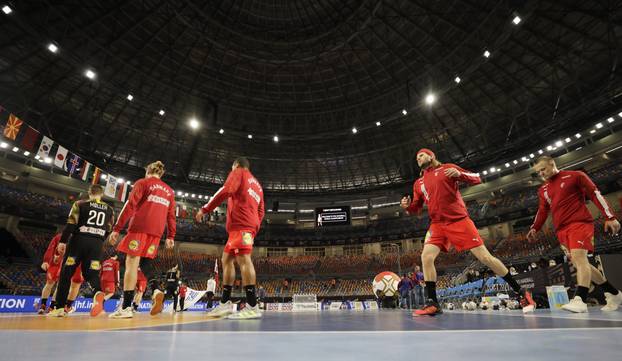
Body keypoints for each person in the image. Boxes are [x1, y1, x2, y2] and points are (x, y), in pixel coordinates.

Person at [401, 148, 535, 316]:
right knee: (426, 257)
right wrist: (408, 207)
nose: (418, 159)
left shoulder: (447, 168)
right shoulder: (418, 183)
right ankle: (432, 302)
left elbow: (476, 178)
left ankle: (521, 291)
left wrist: (459, 174)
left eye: (421, 155)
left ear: (431, 155)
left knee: (485, 258)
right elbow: (417, 208)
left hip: (459, 221)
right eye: (417, 158)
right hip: (437, 224)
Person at [527, 155, 621, 312]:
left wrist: (610, 216)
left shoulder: (575, 175)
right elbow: (542, 210)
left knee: (579, 259)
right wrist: (535, 227)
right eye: (538, 172)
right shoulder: (542, 190)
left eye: (543, 169)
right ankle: (614, 293)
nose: (541, 173)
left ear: (552, 164)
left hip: (580, 223)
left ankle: (580, 299)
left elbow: (595, 193)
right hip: (561, 230)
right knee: (581, 263)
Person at [196, 157, 265, 320]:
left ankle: (252, 306)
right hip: (243, 226)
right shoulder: (258, 185)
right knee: (226, 259)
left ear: (236, 165)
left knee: (244, 259)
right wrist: (254, 225)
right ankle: (225, 303)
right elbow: (261, 211)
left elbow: (226, 190)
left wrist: (205, 209)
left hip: (242, 224)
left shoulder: (238, 172)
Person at [108, 160, 176, 318]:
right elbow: (171, 216)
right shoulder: (169, 191)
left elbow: (130, 205)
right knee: (146, 262)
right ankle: (157, 289)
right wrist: (171, 235)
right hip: (157, 232)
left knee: (131, 265)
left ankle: (125, 308)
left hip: (139, 227)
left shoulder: (143, 182)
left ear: (148, 171)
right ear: (161, 174)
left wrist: (117, 228)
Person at [48, 185, 115, 317]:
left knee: (66, 274)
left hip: (78, 241)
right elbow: (109, 229)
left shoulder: (79, 204)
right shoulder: (110, 209)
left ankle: (59, 308)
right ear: (101, 194)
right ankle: (97, 292)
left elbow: (71, 223)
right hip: (97, 244)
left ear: (89, 193)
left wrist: (62, 241)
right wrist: (99, 240)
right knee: (91, 274)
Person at [38, 234, 82, 314]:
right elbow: (50, 248)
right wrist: (46, 261)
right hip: (56, 263)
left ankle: (51, 306)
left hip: (66, 262)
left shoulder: (78, 237)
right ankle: (44, 305)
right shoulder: (59, 237)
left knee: (59, 285)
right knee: (50, 284)